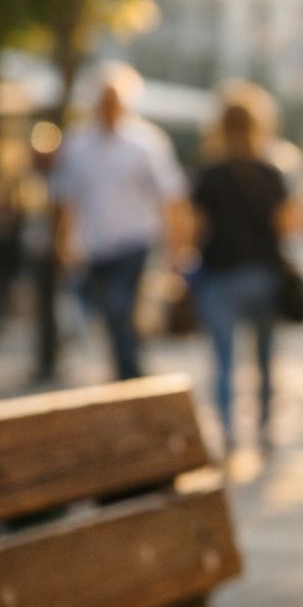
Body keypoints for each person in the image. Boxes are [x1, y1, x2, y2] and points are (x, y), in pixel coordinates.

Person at [50, 63, 190, 380]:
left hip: (134, 241)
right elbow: (65, 198)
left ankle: (129, 375)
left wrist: (176, 249)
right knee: (111, 315)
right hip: (95, 245)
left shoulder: (146, 143)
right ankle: (129, 371)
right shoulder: (78, 144)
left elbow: (170, 197)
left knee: (118, 307)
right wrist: (63, 241)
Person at [190, 84, 293, 450]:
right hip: (264, 272)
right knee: (264, 355)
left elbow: (195, 227)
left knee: (222, 357)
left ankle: (228, 431)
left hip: (219, 272)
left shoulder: (210, 173)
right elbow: (287, 224)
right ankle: (264, 426)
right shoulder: (270, 171)